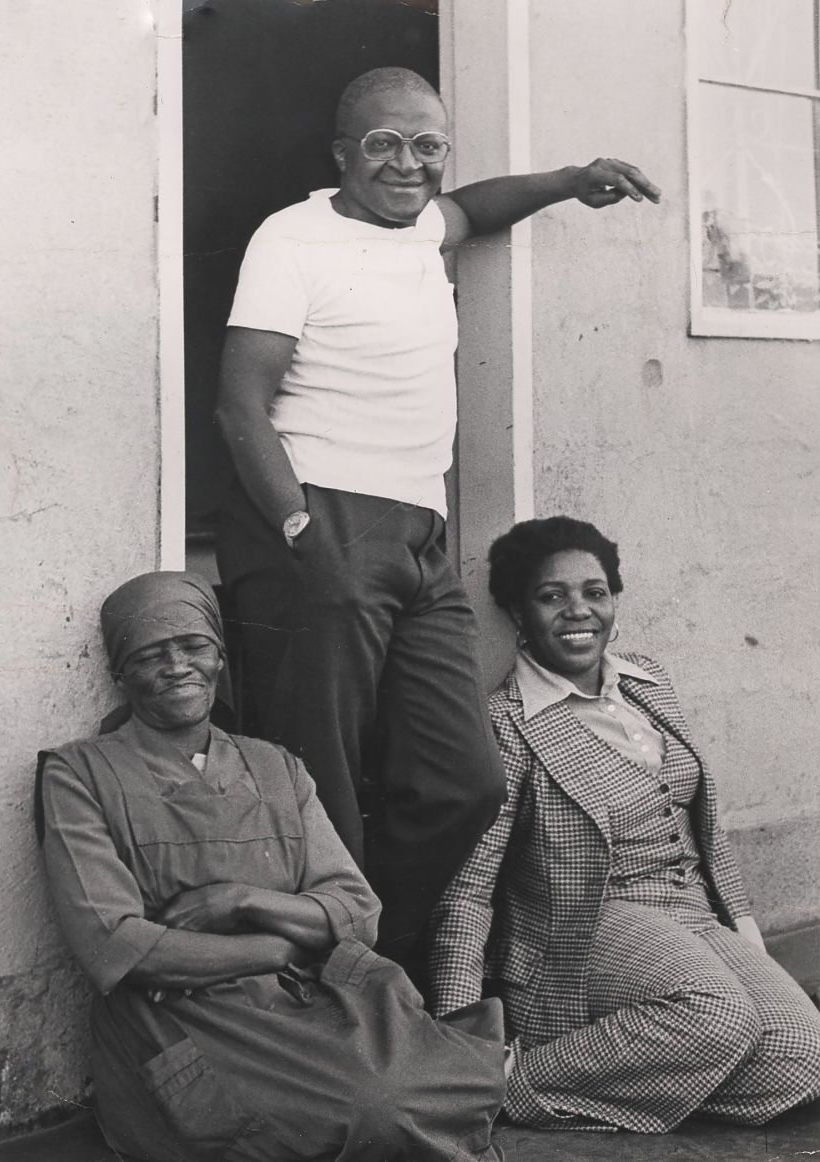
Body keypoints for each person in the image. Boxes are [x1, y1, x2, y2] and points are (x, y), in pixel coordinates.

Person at [214, 66, 662, 976]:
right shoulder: (291, 238)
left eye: (427, 146)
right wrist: (300, 528)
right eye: (383, 144)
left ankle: (373, 950)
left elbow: (477, 207)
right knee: (321, 783)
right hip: (325, 517)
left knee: (464, 783)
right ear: (343, 152)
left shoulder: (423, 225)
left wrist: (570, 181)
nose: (407, 165)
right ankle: (331, 991)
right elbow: (238, 406)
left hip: (420, 534)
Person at [38, 571, 506, 1162]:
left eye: (193, 647)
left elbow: (358, 913)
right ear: (119, 674)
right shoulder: (78, 774)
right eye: (151, 655)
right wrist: (284, 946)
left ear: (220, 658)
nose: (178, 665)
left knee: (439, 1086)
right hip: (184, 1022)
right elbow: (116, 945)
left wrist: (241, 900)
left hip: (303, 1003)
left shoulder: (276, 766)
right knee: (372, 1112)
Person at [429, 516, 820, 1132]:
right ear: (515, 611)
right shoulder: (505, 722)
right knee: (720, 1016)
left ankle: (633, 1066)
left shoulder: (648, 680)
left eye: (595, 592)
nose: (578, 611)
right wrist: (456, 1038)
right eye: (551, 596)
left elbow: (703, 826)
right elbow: (471, 887)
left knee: (799, 1057)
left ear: (614, 600)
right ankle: (506, 1083)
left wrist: (745, 934)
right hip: (590, 925)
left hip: (692, 913)